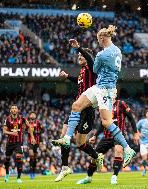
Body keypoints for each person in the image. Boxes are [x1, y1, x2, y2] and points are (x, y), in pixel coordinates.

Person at [52, 25, 136, 168]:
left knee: (106, 122)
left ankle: (128, 149)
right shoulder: (118, 51)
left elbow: (95, 68)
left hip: (105, 89)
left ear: (102, 38)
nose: (98, 42)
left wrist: (82, 50)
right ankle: (66, 138)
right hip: (99, 86)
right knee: (76, 105)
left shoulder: (101, 54)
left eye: (98, 40)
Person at [53, 41, 103, 182]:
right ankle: (65, 167)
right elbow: (79, 81)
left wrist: (79, 47)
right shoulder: (82, 71)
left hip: (87, 110)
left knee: (80, 144)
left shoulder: (93, 67)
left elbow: (90, 59)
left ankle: (96, 156)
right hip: (77, 108)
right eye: (78, 55)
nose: (79, 56)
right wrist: (68, 76)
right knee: (64, 136)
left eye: (82, 55)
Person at [77, 99, 140, 185]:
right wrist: (95, 135)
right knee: (95, 156)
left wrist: (135, 132)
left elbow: (131, 118)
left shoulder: (121, 104)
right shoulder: (105, 106)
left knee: (119, 151)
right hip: (107, 136)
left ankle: (114, 176)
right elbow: (103, 123)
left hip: (119, 134)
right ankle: (88, 177)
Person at [3, 105, 35, 183]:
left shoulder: (22, 118)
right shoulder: (7, 119)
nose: (14, 110)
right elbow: (4, 131)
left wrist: (33, 137)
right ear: (10, 110)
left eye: (15, 108)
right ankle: (7, 174)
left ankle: (18, 178)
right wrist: (11, 133)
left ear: (17, 110)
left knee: (19, 158)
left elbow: (29, 127)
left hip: (18, 142)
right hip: (9, 143)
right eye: (12, 108)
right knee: (7, 159)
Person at [26, 112, 43, 179]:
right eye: (31, 114)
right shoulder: (27, 122)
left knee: (35, 158)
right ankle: (30, 171)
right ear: (29, 115)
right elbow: (24, 130)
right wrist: (28, 130)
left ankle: (33, 171)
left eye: (34, 114)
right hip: (30, 141)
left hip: (37, 142)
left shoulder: (38, 122)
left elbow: (42, 130)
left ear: (35, 116)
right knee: (31, 154)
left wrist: (41, 141)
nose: (32, 115)